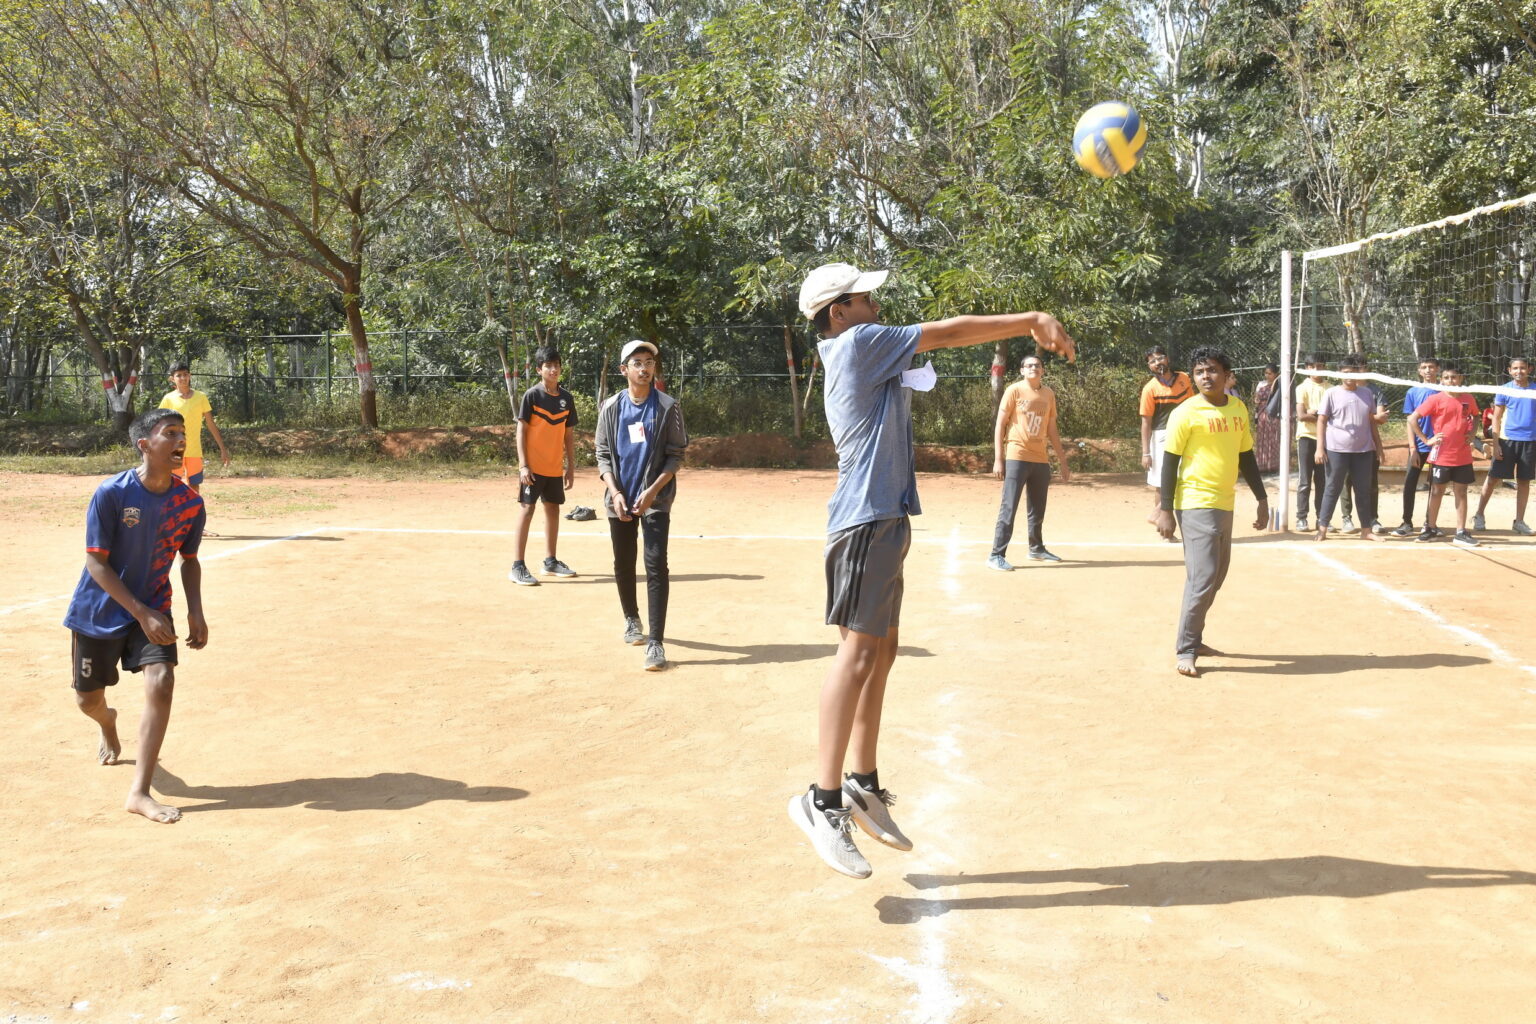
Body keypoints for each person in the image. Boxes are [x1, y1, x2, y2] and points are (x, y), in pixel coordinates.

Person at [789, 261, 1076, 879]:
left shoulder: (861, 347)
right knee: (858, 656)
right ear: (839, 311)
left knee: (883, 652)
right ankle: (822, 800)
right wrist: (1031, 319)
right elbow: (946, 332)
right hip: (864, 522)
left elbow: (922, 362)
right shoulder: (858, 342)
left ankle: (862, 782)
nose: (876, 306)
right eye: (866, 298)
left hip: (883, 519)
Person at [64, 408, 208, 824]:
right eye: (170, 433)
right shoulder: (111, 493)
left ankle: (139, 792)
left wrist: (194, 610)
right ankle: (107, 723)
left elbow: (190, 560)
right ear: (144, 444)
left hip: (155, 606)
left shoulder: (189, 502)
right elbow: (97, 565)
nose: (180, 440)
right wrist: (141, 612)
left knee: (162, 682)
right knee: (86, 700)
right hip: (99, 609)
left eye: (182, 433)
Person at [1154, 348, 1268, 679]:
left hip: (1224, 502)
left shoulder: (1237, 408)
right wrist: (1165, 510)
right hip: (1193, 502)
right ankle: (1186, 649)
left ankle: (1195, 639)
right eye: (1200, 371)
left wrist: (1261, 498)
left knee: (1216, 576)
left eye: (1213, 370)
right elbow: (1170, 462)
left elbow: (1246, 454)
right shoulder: (1185, 413)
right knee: (1202, 578)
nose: (1206, 376)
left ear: (1226, 375)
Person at [594, 340, 688, 672]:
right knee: (623, 561)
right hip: (619, 497)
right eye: (637, 362)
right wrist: (615, 492)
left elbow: (677, 454)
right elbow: (602, 454)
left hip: (656, 499)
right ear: (624, 370)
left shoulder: (667, 406)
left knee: (656, 564)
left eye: (649, 362)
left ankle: (656, 642)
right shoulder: (610, 407)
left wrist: (652, 492)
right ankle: (631, 619)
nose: (644, 368)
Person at [988, 354, 1071, 569]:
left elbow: (1052, 429)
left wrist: (1062, 460)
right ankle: (996, 555)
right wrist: (999, 458)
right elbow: (1000, 424)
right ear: (1022, 370)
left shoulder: (1048, 394)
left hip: (1040, 459)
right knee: (1009, 507)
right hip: (1017, 455)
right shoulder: (1014, 390)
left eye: (1037, 365)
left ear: (1043, 370)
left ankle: (1036, 549)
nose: (1033, 368)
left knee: (1037, 508)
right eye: (1029, 365)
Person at [509, 345, 579, 586]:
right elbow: (521, 431)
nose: (553, 370)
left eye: (556, 365)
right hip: (532, 467)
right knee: (527, 510)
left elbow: (568, 435)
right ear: (539, 369)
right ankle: (517, 566)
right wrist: (523, 466)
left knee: (553, 510)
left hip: (553, 467)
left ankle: (550, 561)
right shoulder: (532, 396)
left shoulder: (566, 398)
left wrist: (570, 467)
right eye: (548, 366)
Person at [1313, 353, 1384, 542]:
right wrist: (1320, 448)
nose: (1349, 376)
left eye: (1352, 372)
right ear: (1339, 374)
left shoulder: (1367, 393)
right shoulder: (1331, 393)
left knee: (1363, 490)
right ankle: (1322, 528)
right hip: (1337, 450)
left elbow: (1371, 422)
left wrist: (1379, 447)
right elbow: (1321, 420)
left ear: (1359, 374)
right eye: (1345, 372)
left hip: (1363, 451)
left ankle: (1366, 530)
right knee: (1332, 488)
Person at [1408, 364, 1480, 547]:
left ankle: (1461, 532)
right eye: (1446, 378)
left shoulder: (1468, 398)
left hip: (1462, 454)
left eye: (1454, 377)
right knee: (1437, 491)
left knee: (1461, 491)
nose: (1450, 381)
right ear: (1441, 380)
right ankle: (1430, 528)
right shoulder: (1436, 399)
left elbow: (1476, 415)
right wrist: (1426, 440)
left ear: (1460, 379)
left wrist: (1471, 434)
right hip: (1441, 455)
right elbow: (1412, 418)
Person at [1473, 355, 1536, 535]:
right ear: (1509, 371)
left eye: (1522, 368)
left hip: (1530, 441)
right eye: (1515, 368)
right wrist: (1496, 443)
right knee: (1493, 478)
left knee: (1524, 482)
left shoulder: (1534, 390)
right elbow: (1497, 418)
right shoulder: (1504, 390)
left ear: (1529, 369)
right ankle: (1479, 514)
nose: (1519, 371)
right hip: (1507, 441)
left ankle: (1519, 521)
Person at [1139, 346, 1195, 532]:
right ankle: (1164, 528)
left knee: (1184, 478)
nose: (1158, 363)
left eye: (1160, 358)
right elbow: (1146, 423)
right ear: (1149, 366)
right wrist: (1146, 453)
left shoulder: (1184, 379)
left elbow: (1193, 406)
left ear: (1168, 359)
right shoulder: (1150, 389)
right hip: (1162, 437)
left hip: (1186, 432)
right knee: (1161, 484)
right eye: (1152, 361)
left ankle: (1157, 516)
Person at [158, 361, 230, 494]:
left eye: (185, 374)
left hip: (194, 451)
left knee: (194, 486)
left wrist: (223, 449)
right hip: (174, 450)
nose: (183, 378)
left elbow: (210, 423)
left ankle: (193, 513)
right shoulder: (168, 399)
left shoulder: (200, 397)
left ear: (190, 375)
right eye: (179, 375)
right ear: (172, 379)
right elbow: (160, 425)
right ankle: (174, 514)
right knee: (173, 486)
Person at [1392, 356, 1442, 536]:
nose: (1428, 370)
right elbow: (1409, 421)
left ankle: (1430, 523)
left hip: (1438, 447)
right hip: (1419, 447)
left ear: (1437, 369)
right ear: (1419, 371)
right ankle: (1406, 522)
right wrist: (1412, 448)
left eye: (1431, 367)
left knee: (1436, 486)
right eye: (1424, 367)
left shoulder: (1445, 391)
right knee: (1409, 483)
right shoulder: (1413, 392)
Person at [1293, 354, 1331, 532]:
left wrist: (1316, 413)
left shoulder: (1331, 388)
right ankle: (1301, 518)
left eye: (1321, 365)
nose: (1318, 369)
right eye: (1315, 366)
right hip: (1306, 438)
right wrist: (1318, 415)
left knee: (1323, 481)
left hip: (1326, 439)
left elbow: (1332, 416)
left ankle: (1322, 518)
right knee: (1305, 481)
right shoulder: (1302, 387)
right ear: (1307, 368)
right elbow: (1301, 415)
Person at [1251, 363, 1281, 473]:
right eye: (1266, 373)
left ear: (1276, 374)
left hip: (1273, 415)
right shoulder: (1261, 384)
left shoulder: (1279, 385)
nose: (1267, 376)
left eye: (1270, 373)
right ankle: (1262, 465)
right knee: (1262, 438)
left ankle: (1273, 466)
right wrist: (1256, 401)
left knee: (1273, 439)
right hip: (1262, 415)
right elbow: (1256, 399)